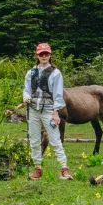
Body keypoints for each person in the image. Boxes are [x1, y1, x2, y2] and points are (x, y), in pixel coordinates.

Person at [22, 42, 72, 180]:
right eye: (41, 54)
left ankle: (64, 168)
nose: (44, 56)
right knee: (34, 139)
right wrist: (26, 97)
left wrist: (56, 112)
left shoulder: (56, 73)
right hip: (33, 109)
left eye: (46, 54)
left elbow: (57, 95)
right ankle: (37, 168)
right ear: (37, 55)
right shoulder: (31, 72)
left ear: (50, 55)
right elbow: (26, 90)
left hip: (49, 110)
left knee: (55, 139)